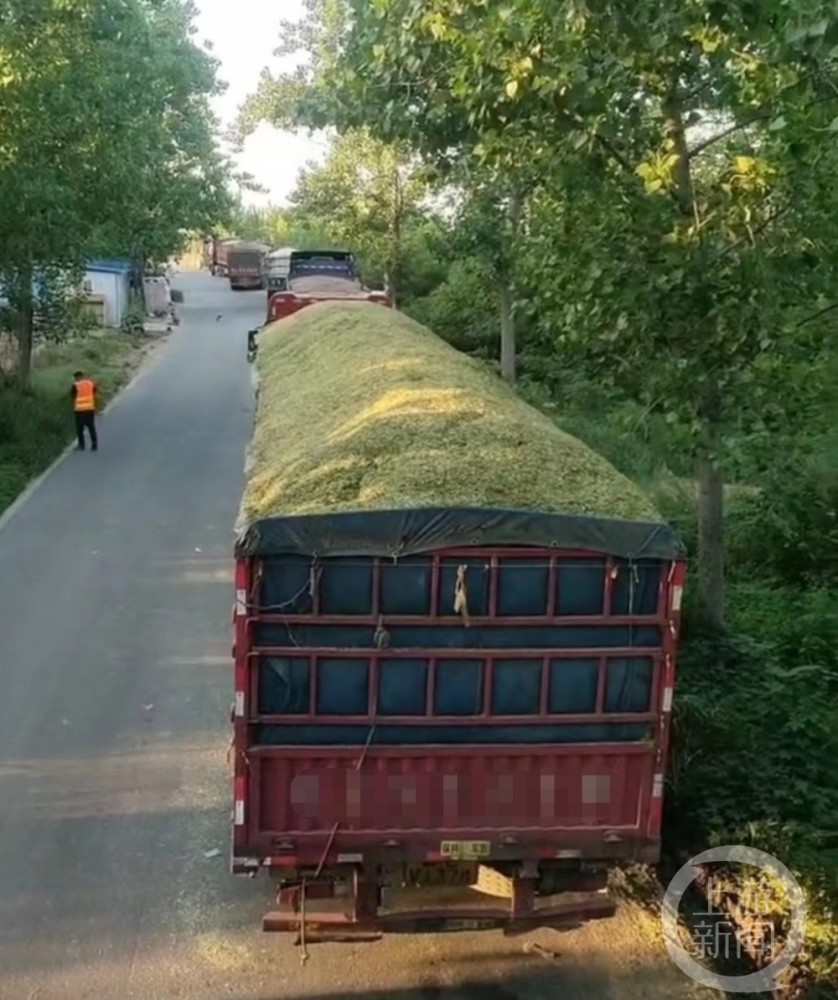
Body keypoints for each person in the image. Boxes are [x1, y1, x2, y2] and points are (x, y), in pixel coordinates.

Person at [71, 370, 98, 452]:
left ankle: (81, 445)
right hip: (90, 409)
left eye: (75, 378)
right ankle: (94, 445)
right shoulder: (90, 383)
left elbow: (73, 395)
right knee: (91, 427)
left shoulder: (76, 385)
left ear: (77, 377)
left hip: (80, 410)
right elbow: (94, 391)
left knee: (80, 428)